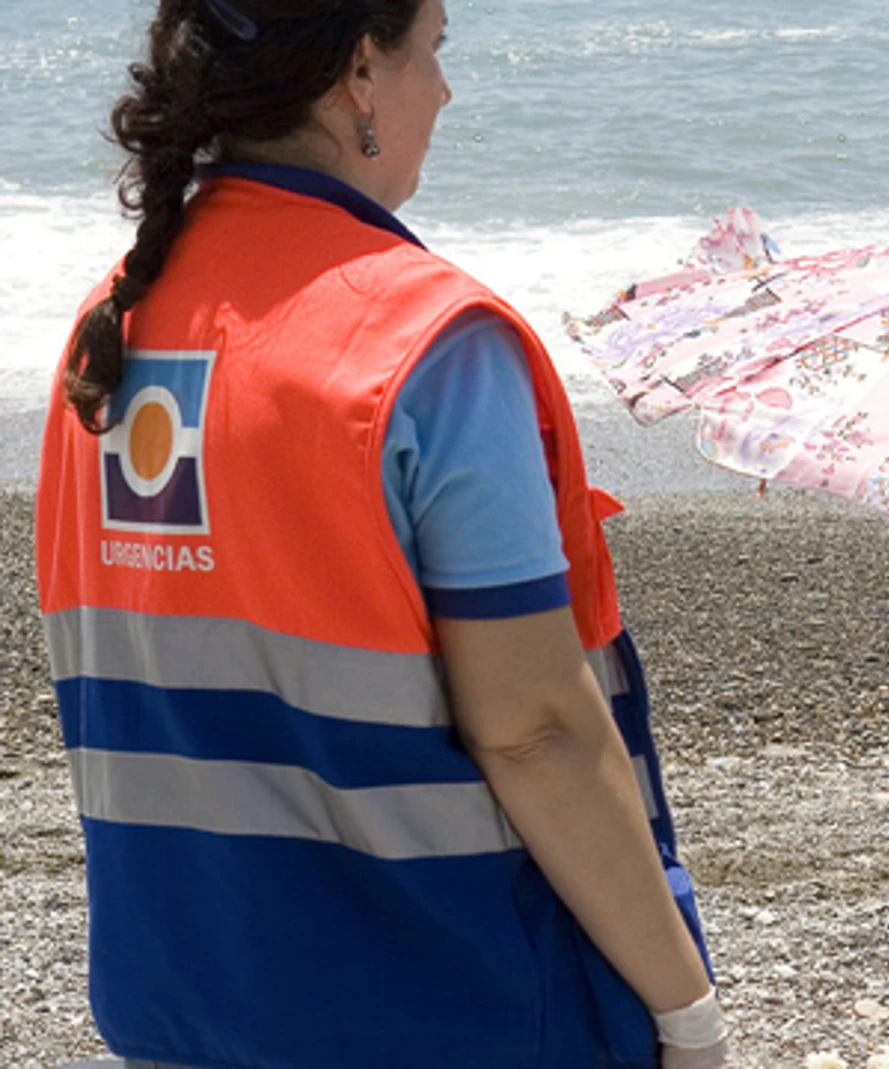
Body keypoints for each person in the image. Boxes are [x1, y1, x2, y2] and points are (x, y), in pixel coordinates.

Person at [36, 2, 726, 1067]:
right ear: (361, 71)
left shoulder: (110, 331)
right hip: (449, 1007)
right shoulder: (424, 344)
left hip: (186, 1003)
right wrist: (685, 1010)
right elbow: (534, 728)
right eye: (434, 50)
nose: (444, 92)